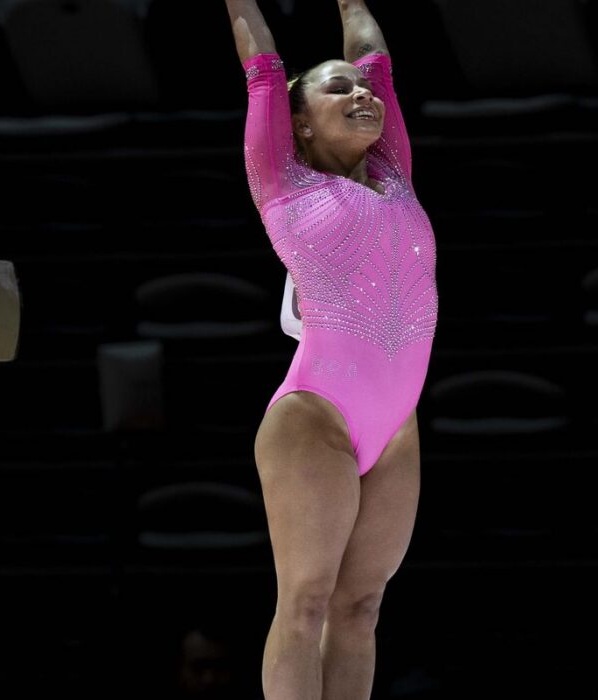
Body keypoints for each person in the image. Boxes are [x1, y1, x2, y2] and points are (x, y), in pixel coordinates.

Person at [223, 1, 439, 698]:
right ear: (300, 122)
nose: (361, 94)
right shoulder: (282, 183)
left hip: (396, 429)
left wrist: (351, 4)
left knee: (360, 608)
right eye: (337, 89)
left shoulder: (395, 174)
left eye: (363, 89)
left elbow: (378, 57)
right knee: (306, 603)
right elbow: (261, 66)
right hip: (316, 418)